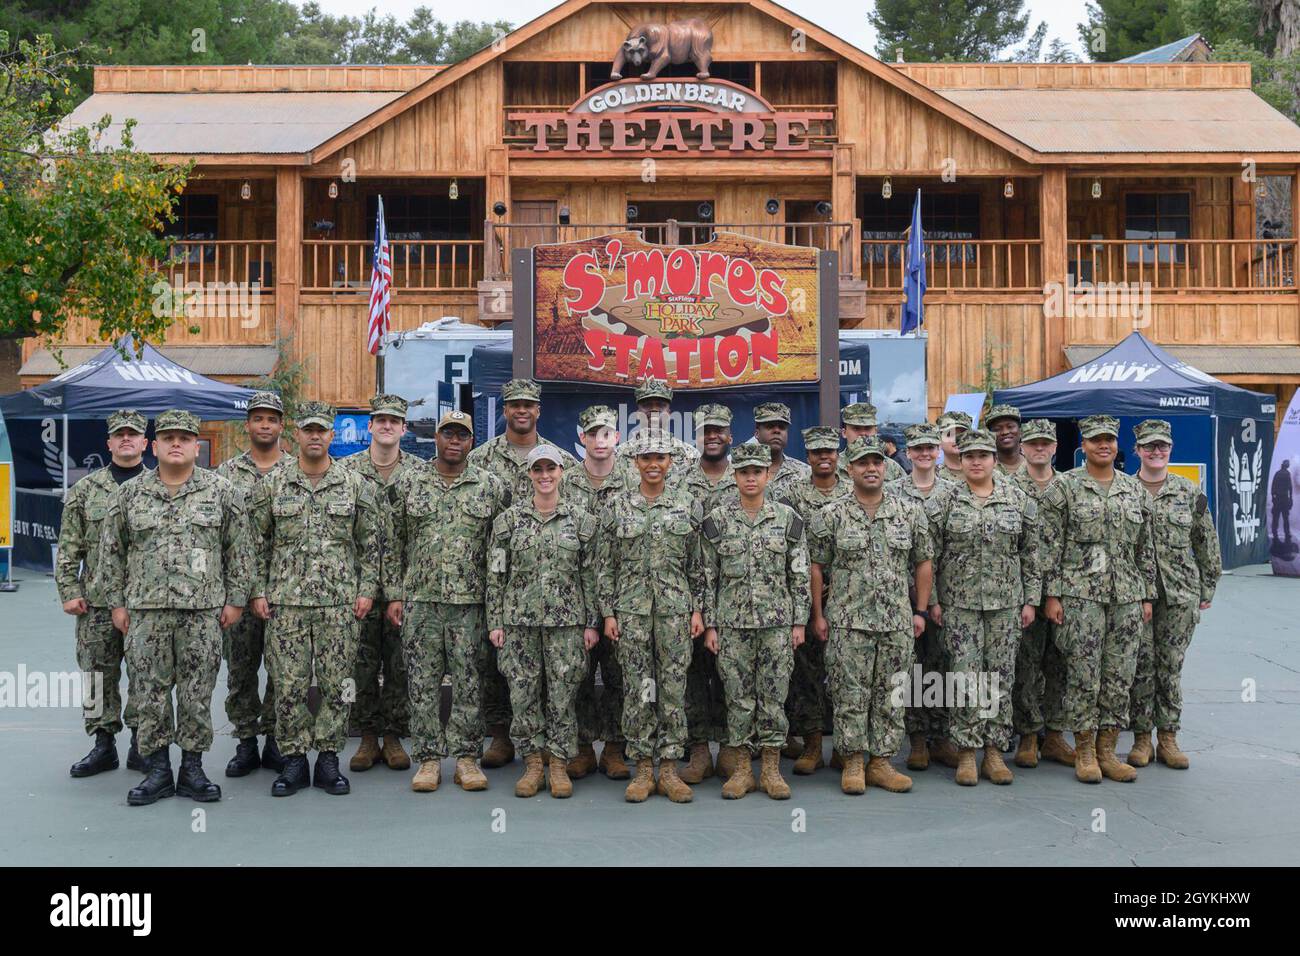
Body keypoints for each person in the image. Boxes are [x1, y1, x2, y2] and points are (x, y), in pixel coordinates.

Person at [98, 409, 250, 806]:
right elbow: (111, 555)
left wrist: (235, 600)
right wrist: (116, 604)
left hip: (202, 613)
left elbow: (240, 551)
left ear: (197, 446)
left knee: (197, 694)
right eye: (169, 438)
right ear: (156, 445)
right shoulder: (129, 495)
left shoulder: (222, 492)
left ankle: (193, 768)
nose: (177, 443)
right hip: (146, 613)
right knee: (149, 692)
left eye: (185, 438)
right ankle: (159, 769)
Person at [249, 401, 381, 797]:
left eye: (322, 430)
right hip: (285, 604)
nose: (315, 436)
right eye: (308, 430)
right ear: (297, 434)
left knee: (339, 684)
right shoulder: (273, 484)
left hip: (339, 605)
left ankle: (327, 758)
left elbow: (369, 544)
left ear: (331, 434)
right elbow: (256, 544)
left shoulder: (354, 484)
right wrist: (257, 589)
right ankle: (293, 759)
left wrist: (365, 590)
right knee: (288, 685)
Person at [385, 410, 507, 793]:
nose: (454, 441)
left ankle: (467, 758)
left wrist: (496, 604)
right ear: (435, 439)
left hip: (471, 604)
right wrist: (394, 594)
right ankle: (428, 759)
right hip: (421, 602)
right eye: (447, 434)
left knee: (471, 680)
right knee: (421, 681)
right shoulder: (409, 483)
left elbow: (499, 551)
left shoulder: (491, 487)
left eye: (462, 436)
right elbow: (393, 544)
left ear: (472, 442)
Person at [809, 436, 934, 796]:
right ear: (850, 470)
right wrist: (818, 615)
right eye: (863, 463)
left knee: (891, 692)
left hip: (896, 620)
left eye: (876, 462)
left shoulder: (909, 512)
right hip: (848, 622)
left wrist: (920, 611)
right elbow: (816, 568)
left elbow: (923, 562)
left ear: (885, 466)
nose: (871, 469)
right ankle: (852, 761)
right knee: (850, 694)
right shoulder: (830, 515)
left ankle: (881, 762)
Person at [467, 378, 577, 768]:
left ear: (538, 410)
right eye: (514, 404)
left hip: (556, 590)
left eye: (529, 404)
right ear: (505, 409)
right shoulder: (481, 459)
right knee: (506, 670)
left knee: (559, 680)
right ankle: (503, 737)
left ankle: (558, 753)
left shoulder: (563, 460)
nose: (522, 410)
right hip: (503, 579)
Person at [1041, 414, 1156, 785]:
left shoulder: (1133, 490)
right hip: (1080, 597)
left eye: (1108, 439)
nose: (1103, 445)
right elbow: (1049, 546)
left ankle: (1108, 750)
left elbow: (1145, 549)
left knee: (1120, 674)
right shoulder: (1064, 488)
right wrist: (1052, 595)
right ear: (1083, 446)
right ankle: (1085, 750)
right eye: (1095, 440)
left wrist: (1147, 595)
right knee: (1083, 675)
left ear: (1117, 444)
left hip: (1126, 596)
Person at [596, 431, 707, 803]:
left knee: (674, 689)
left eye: (660, 457)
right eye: (646, 458)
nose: (654, 464)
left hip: (675, 615)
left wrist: (698, 609)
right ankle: (643, 767)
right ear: (636, 463)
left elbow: (699, 565)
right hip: (631, 615)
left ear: (670, 462)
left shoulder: (687, 505)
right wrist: (608, 613)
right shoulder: (617, 507)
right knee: (639, 689)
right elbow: (604, 566)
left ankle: (671, 769)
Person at [928, 429, 1040, 786]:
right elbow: (928, 554)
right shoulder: (944, 502)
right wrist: (932, 601)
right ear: (960, 462)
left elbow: (1032, 554)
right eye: (969, 456)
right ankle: (966, 751)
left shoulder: (1018, 500)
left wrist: (1030, 600)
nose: (976, 462)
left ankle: (994, 750)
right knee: (964, 675)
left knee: (1000, 675)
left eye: (983, 455)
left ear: (995, 460)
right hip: (959, 605)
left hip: (1006, 604)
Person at [488, 445, 601, 798]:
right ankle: (533, 762)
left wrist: (591, 623)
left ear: (562, 473)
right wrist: (496, 621)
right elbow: (495, 574)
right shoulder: (508, 522)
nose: (545, 476)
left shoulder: (582, 521)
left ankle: (558, 764)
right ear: (529, 475)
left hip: (567, 626)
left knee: (563, 696)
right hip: (519, 624)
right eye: (538, 470)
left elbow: (591, 575)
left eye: (551, 469)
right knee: (522, 694)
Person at [701, 441, 810, 800]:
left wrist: (798, 622)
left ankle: (772, 770)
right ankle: (744, 770)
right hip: (732, 627)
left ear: (767, 475)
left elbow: (799, 574)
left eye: (757, 472)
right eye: (744, 472)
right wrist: (712, 625)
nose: (750, 478)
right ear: (735, 476)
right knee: (738, 697)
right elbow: (708, 577)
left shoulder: (788, 519)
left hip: (777, 624)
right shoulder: (717, 521)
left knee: (774, 697)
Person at [58, 409, 149, 778]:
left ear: (145, 443)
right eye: (119, 434)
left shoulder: (158, 487)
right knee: (98, 674)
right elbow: (68, 547)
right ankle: (102, 743)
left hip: (145, 602)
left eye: (133, 434)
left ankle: (143, 743)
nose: (126, 439)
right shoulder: (84, 491)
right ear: (109, 442)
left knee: (146, 674)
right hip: (95, 603)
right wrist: (69, 590)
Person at [1126, 419, 1222, 770]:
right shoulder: (1125, 491)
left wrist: (1207, 586)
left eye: (1162, 446)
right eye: (1149, 446)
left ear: (1170, 449)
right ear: (1137, 450)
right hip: (1136, 595)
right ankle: (1140, 738)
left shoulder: (1188, 491)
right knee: (1140, 667)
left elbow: (1206, 542)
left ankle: (1167, 737)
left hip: (1180, 593)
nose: (1156, 451)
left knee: (1170, 666)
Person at [340, 394, 420, 774]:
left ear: (404, 429)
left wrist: (402, 590)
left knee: (401, 663)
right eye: (380, 420)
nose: (387, 426)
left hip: (406, 588)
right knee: (361, 664)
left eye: (394, 420)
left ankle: (393, 736)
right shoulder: (346, 473)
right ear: (369, 427)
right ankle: (368, 735)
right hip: (358, 589)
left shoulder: (421, 474)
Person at [215, 390, 289, 778]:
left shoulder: (297, 470)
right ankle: (245, 741)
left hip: (285, 592)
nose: (264, 425)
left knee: (282, 670)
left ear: (281, 426)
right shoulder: (226, 476)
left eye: (271, 419)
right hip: (239, 594)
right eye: (258, 418)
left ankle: (276, 740)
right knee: (241, 669)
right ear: (248, 425)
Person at [775, 425, 852, 774]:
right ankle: (812, 743)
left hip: (850, 595)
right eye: (817, 452)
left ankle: (845, 747)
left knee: (845, 673)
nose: (824, 457)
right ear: (807, 457)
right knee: (806, 673)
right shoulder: (791, 493)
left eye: (830, 451)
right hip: (806, 595)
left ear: (837, 455)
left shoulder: (853, 490)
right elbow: (786, 543)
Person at [562, 405, 633, 780]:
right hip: (575, 594)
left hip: (623, 597)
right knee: (580, 675)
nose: (600, 441)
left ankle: (616, 749)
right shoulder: (565, 482)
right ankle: (584, 747)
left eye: (607, 433)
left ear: (617, 437)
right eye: (593, 434)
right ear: (583, 439)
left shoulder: (633, 481)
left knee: (619, 674)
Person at [1006, 419, 1074, 769]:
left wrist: (1057, 593)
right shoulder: (1007, 488)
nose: (1039, 449)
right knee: (1026, 664)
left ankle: (1056, 734)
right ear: (1022, 448)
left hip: (1066, 592)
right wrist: (1031, 596)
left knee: (1059, 663)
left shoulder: (1071, 488)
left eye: (1045, 443)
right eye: (1032, 444)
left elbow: (1075, 545)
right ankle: (1029, 735)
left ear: (1055, 448)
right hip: (1021, 593)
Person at [889, 422, 956, 773]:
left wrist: (937, 599)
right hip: (904, 594)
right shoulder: (893, 491)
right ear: (909, 453)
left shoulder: (953, 493)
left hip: (947, 594)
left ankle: (941, 735)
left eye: (931, 448)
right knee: (911, 667)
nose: (925, 454)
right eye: (918, 448)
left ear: (938, 451)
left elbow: (956, 551)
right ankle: (916, 738)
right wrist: (916, 598)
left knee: (942, 664)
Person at [679, 403, 734, 783]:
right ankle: (698, 749)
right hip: (688, 594)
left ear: (730, 435)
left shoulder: (748, 475)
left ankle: (732, 747)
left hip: (736, 596)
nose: (712, 436)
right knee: (694, 673)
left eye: (719, 430)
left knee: (734, 674)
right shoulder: (680, 479)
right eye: (705, 430)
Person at [615, 379, 700, 482]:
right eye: (647, 405)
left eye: (660, 405)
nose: (654, 409)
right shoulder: (618, 455)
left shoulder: (690, 455)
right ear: (637, 413)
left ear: (668, 413)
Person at [754, 402, 812, 501]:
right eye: (770, 426)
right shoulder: (740, 472)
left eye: (782, 427)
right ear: (757, 434)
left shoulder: (805, 473)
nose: (777, 431)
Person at [839, 403, 905, 481]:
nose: (863, 433)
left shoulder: (893, 468)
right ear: (844, 433)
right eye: (856, 428)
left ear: (876, 432)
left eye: (868, 428)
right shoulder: (834, 467)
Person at [986, 404, 1025, 476]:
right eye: (997, 429)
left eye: (1010, 427)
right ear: (990, 435)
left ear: (1020, 431)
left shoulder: (1034, 462)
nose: (1005, 432)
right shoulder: (984, 468)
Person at [936, 411, 972, 483]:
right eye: (949, 434)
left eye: (962, 434)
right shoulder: (930, 476)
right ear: (939, 440)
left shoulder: (987, 474)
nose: (956, 439)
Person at [1272, 459, 1293, 544]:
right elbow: (1290, 488)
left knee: (1275, 519)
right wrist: (1290, 499)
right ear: (1286, 465)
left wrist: (1273, 498)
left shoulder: (1277, 474)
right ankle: (1287, 536)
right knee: (1285, 519)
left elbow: (1273, 487)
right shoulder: (1287, 474)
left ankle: (1275, 536)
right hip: (1284, 499)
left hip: (1277, 499)